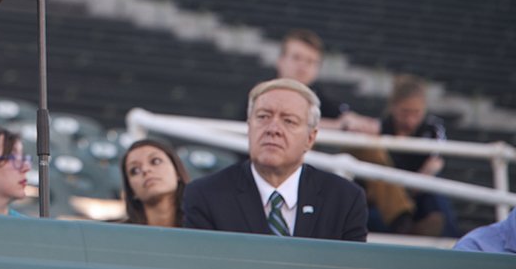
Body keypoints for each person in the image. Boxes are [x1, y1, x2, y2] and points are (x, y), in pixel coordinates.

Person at [183, 78, 368, 241]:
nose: (273, 129)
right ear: (249, 128)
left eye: (289, 121)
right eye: (263, 117)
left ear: (310, 139)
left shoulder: (345, 200)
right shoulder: (205, 195)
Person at [275, 29, 422, 234]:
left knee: (365, 144)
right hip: (278, 169)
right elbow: (283, 123)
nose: (302, 66)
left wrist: (358, 123)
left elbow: (343, 116)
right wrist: (342, 125)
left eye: (310, 61)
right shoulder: (264, 93)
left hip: (314, 166)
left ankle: (401, 219)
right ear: (280, 60)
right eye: (297, 58)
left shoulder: (317, 95)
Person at [380, 75, 459, 237]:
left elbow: (435, 163)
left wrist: (414, 186)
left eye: (416, 113)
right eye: (404, 112)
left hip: (422, 188)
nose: (410, 120)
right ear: (393, 107)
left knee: (435, 193)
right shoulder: (381, 128)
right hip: (390, 191)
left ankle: (451, 242)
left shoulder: (432, 128)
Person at [120, 138, 190, 227]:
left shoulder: (205, 226)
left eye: (155, 161)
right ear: (131, 190)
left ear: (177, 172)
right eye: (135, 170)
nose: (145, 170)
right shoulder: (116, 236)